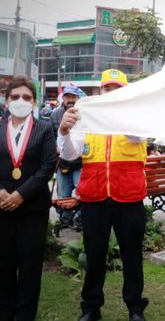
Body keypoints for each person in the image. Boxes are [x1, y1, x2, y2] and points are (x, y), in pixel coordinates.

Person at [58, 69, 149, 321]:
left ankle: (135, 308)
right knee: (94, 255)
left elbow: (138, 136)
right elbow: (69, 154)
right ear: (100, 92)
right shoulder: (86, 119)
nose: (111, 93)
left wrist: (115, 115)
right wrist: (64, 131)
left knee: (132, 255)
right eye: (107, 89)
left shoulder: (136, 117)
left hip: (129, 198)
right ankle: (90, 308)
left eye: (117, 89)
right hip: (94, 199)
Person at [0, 76, 57, 321]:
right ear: (6, 101)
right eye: (15, 97)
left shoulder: (44, 129)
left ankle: (25, 313)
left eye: (26, 97)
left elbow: (48, 166)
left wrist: (21, 194)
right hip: (1, 205)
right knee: (3, 262)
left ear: (34, 102)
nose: (20, 101)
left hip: (33, 207)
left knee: (31, 264)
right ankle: (5, 310)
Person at [52, 85, 84, 230]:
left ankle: (79, 220)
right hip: (63, 162)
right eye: (68, 97)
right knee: (63, 193)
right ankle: (65, 220)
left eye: (73, 97)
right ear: (63, 98)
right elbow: (50, 136)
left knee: (81, 192)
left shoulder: (84, 115)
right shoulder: (55, 115)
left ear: (78, 98)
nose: (70, 99)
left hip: (80, 162)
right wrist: (55, 146)